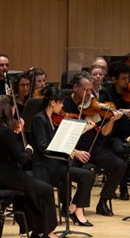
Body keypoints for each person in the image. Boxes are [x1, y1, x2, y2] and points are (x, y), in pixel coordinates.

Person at [0, 95, 63, 238]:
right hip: (11, 178)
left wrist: (15, 135)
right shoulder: (6, 132)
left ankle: (37, 231)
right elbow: (21, 158)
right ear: (9, 110)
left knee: (31, 193)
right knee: (46, 190)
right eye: (13, 107)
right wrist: (29, 150)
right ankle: (48, 232)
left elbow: (6, 150)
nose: (15, 110)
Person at [63, 71, 126, 217]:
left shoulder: (95, 104)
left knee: (120, 165)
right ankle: (69, 205)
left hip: (94, 149)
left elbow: (104, 132)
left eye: (90, 89)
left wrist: (111, 120)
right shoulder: (66, 104)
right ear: (75, 88)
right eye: (85, 89)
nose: (88, 93)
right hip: (73, 151)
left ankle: (103, 201)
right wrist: (76, 152)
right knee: (65, 170)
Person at [32, 85, 96, 226]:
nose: (62, 105)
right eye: (60, 102)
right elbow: (43, 146)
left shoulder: (49, 118)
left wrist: (81, 131)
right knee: (85, 175)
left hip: (56, 164)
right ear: (52, 102)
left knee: (88, 175)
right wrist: (65, 152)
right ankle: (73, 210)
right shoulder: (39, 119)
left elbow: (58, 141)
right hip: (45, 167)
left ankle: (73, 207)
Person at [99, 62, 130, 201]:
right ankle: (123, 187)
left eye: (128, 78)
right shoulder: (106, 92)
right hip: (115, 135)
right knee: (119, 150)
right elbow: (102, 110)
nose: (127, 81)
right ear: (114, 79)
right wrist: (121, 111)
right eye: (123, 78)